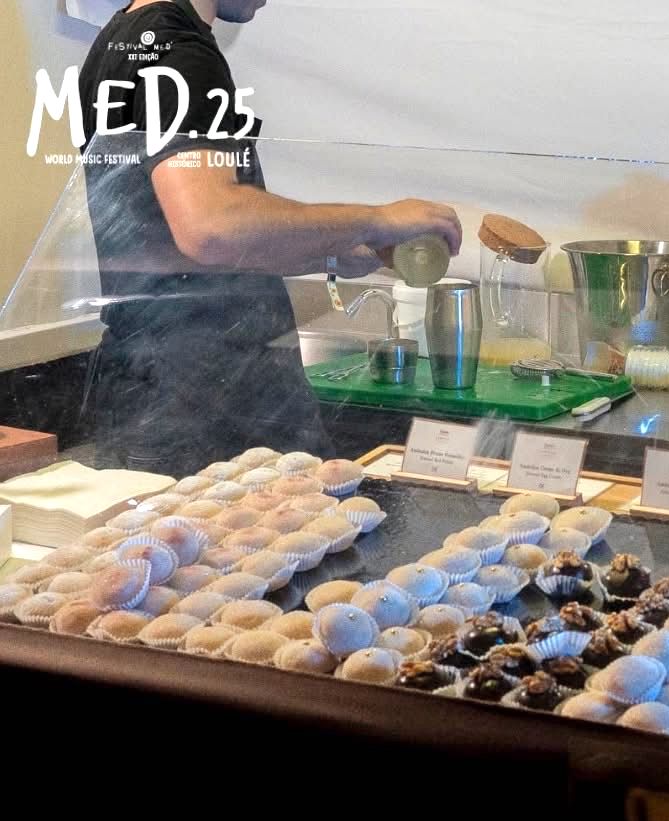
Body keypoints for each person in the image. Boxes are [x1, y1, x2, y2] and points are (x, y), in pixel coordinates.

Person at [76, 0, 462, 472]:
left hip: (150, 388)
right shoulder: (180, 50)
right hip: (207, 402)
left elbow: (172, 241)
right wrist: (377, 218)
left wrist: (332, 253)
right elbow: (212, 228)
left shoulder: (124, 42)